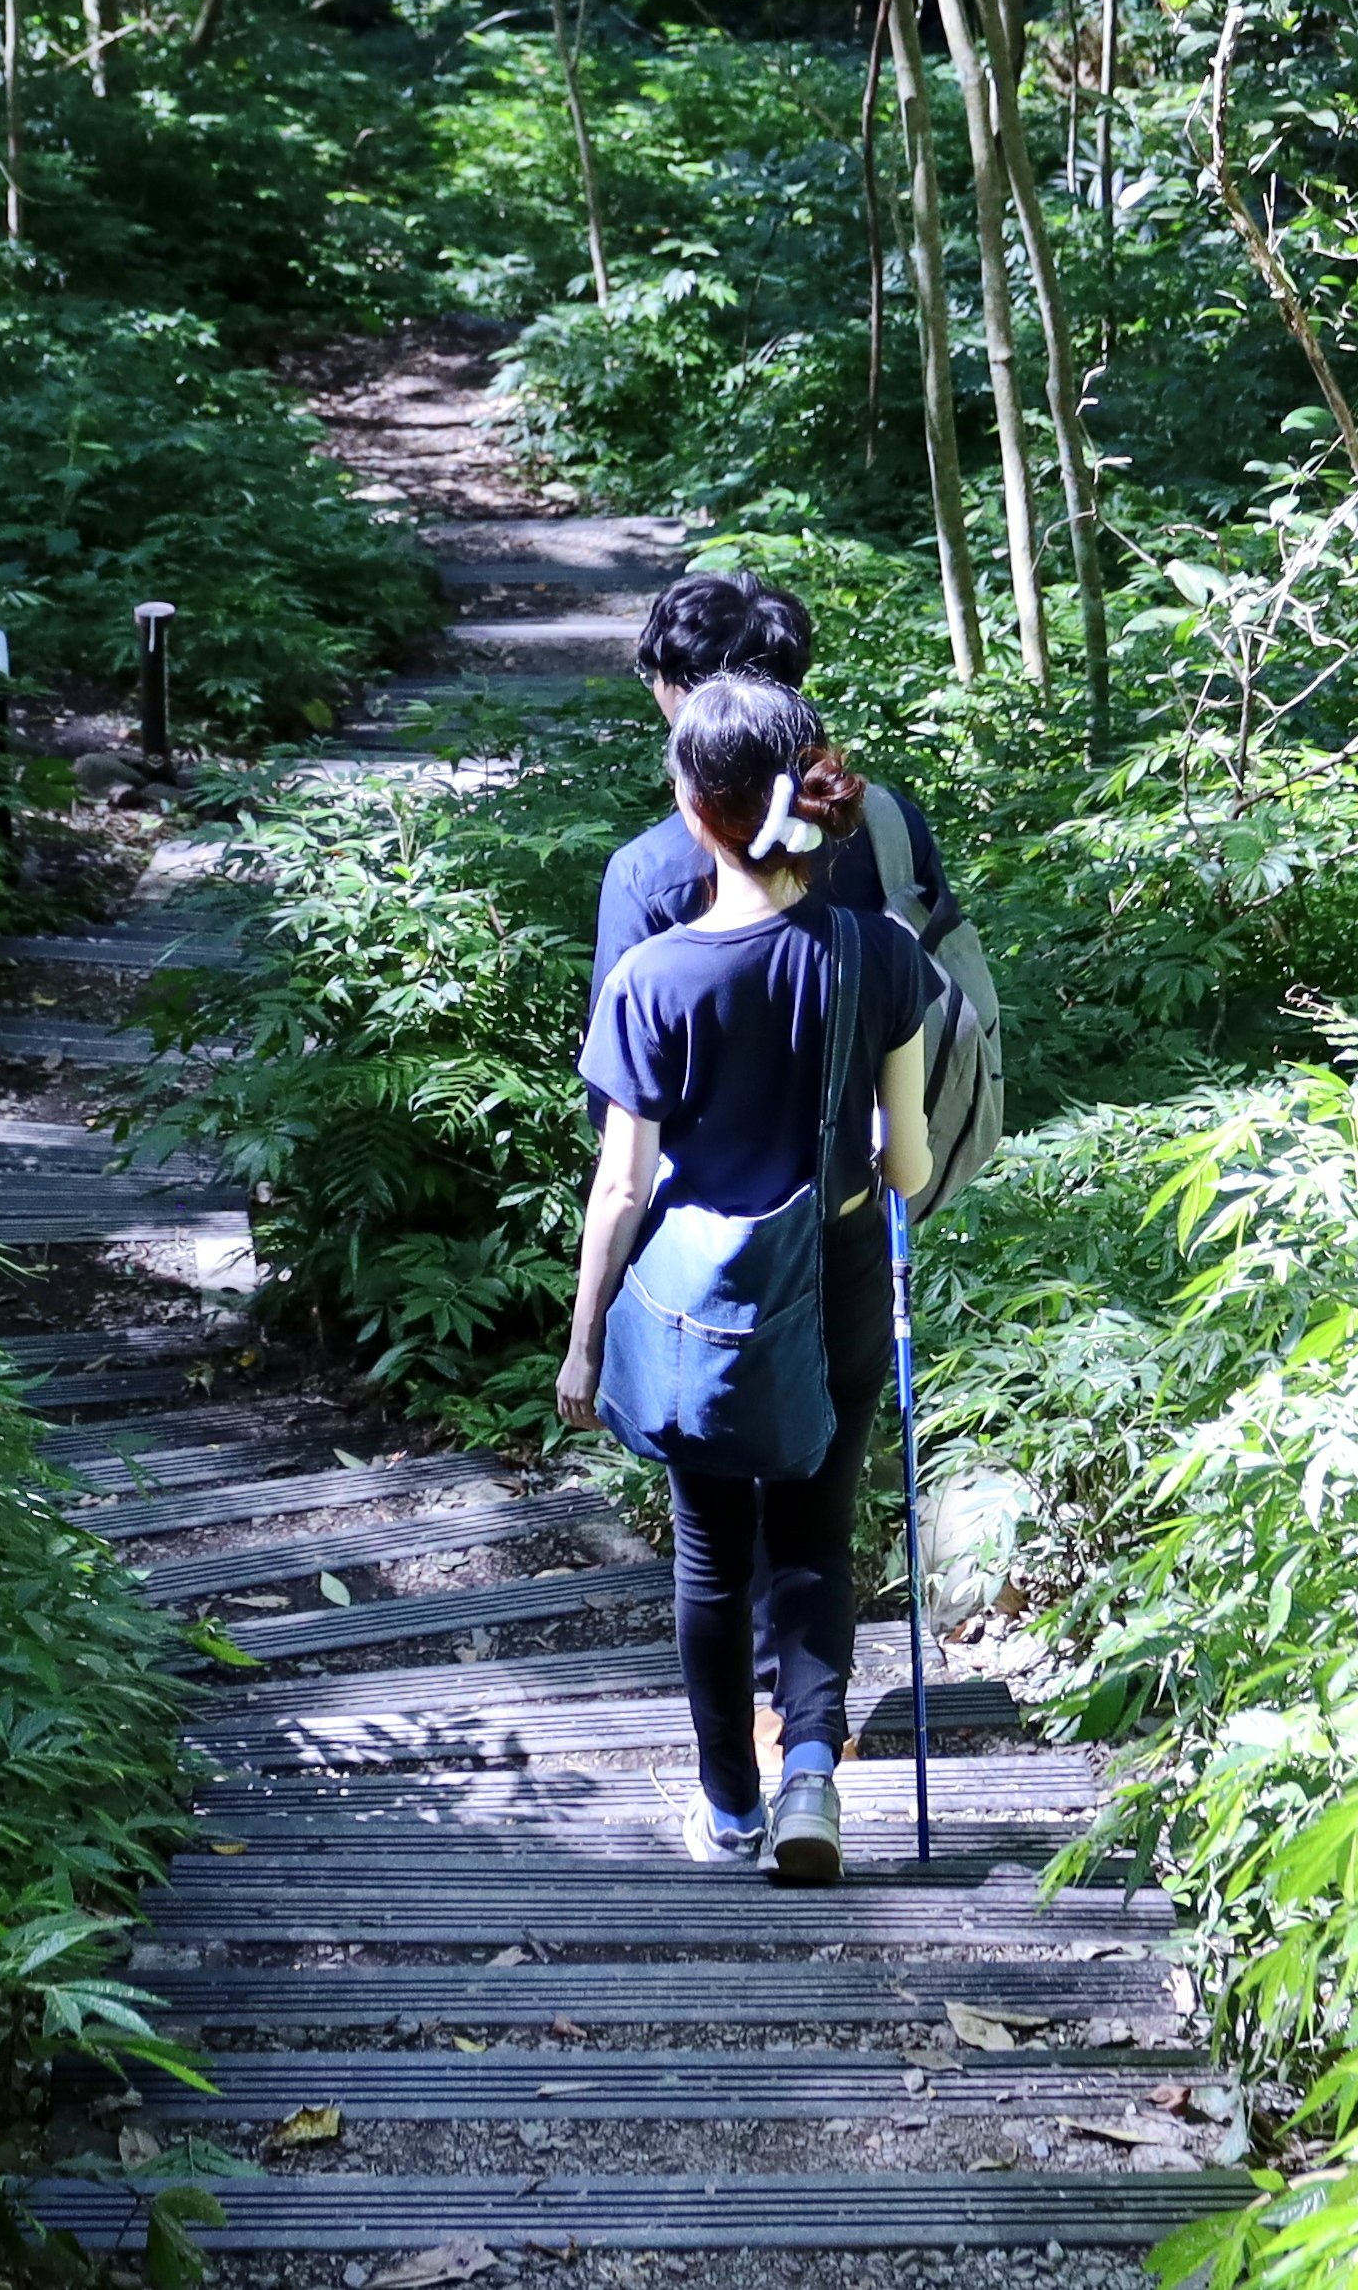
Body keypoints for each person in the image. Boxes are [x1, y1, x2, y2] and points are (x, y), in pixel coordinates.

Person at [557, 674, 941, 1883]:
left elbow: (621, 1190)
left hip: (701, 1311)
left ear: (691, 808)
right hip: (831, 1278)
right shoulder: (878, 953)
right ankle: (812, 1777)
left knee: (712, 1552)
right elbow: (911, 1157)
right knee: (819, 1534)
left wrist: (581, 1342)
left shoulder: (654, 980)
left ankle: (729, 1806)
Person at [595, 569, 957, 997]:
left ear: (693, 699)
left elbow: (618, 1047)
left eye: (653, 676)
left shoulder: (646, 874)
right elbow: (939, 979)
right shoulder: (892, 825)